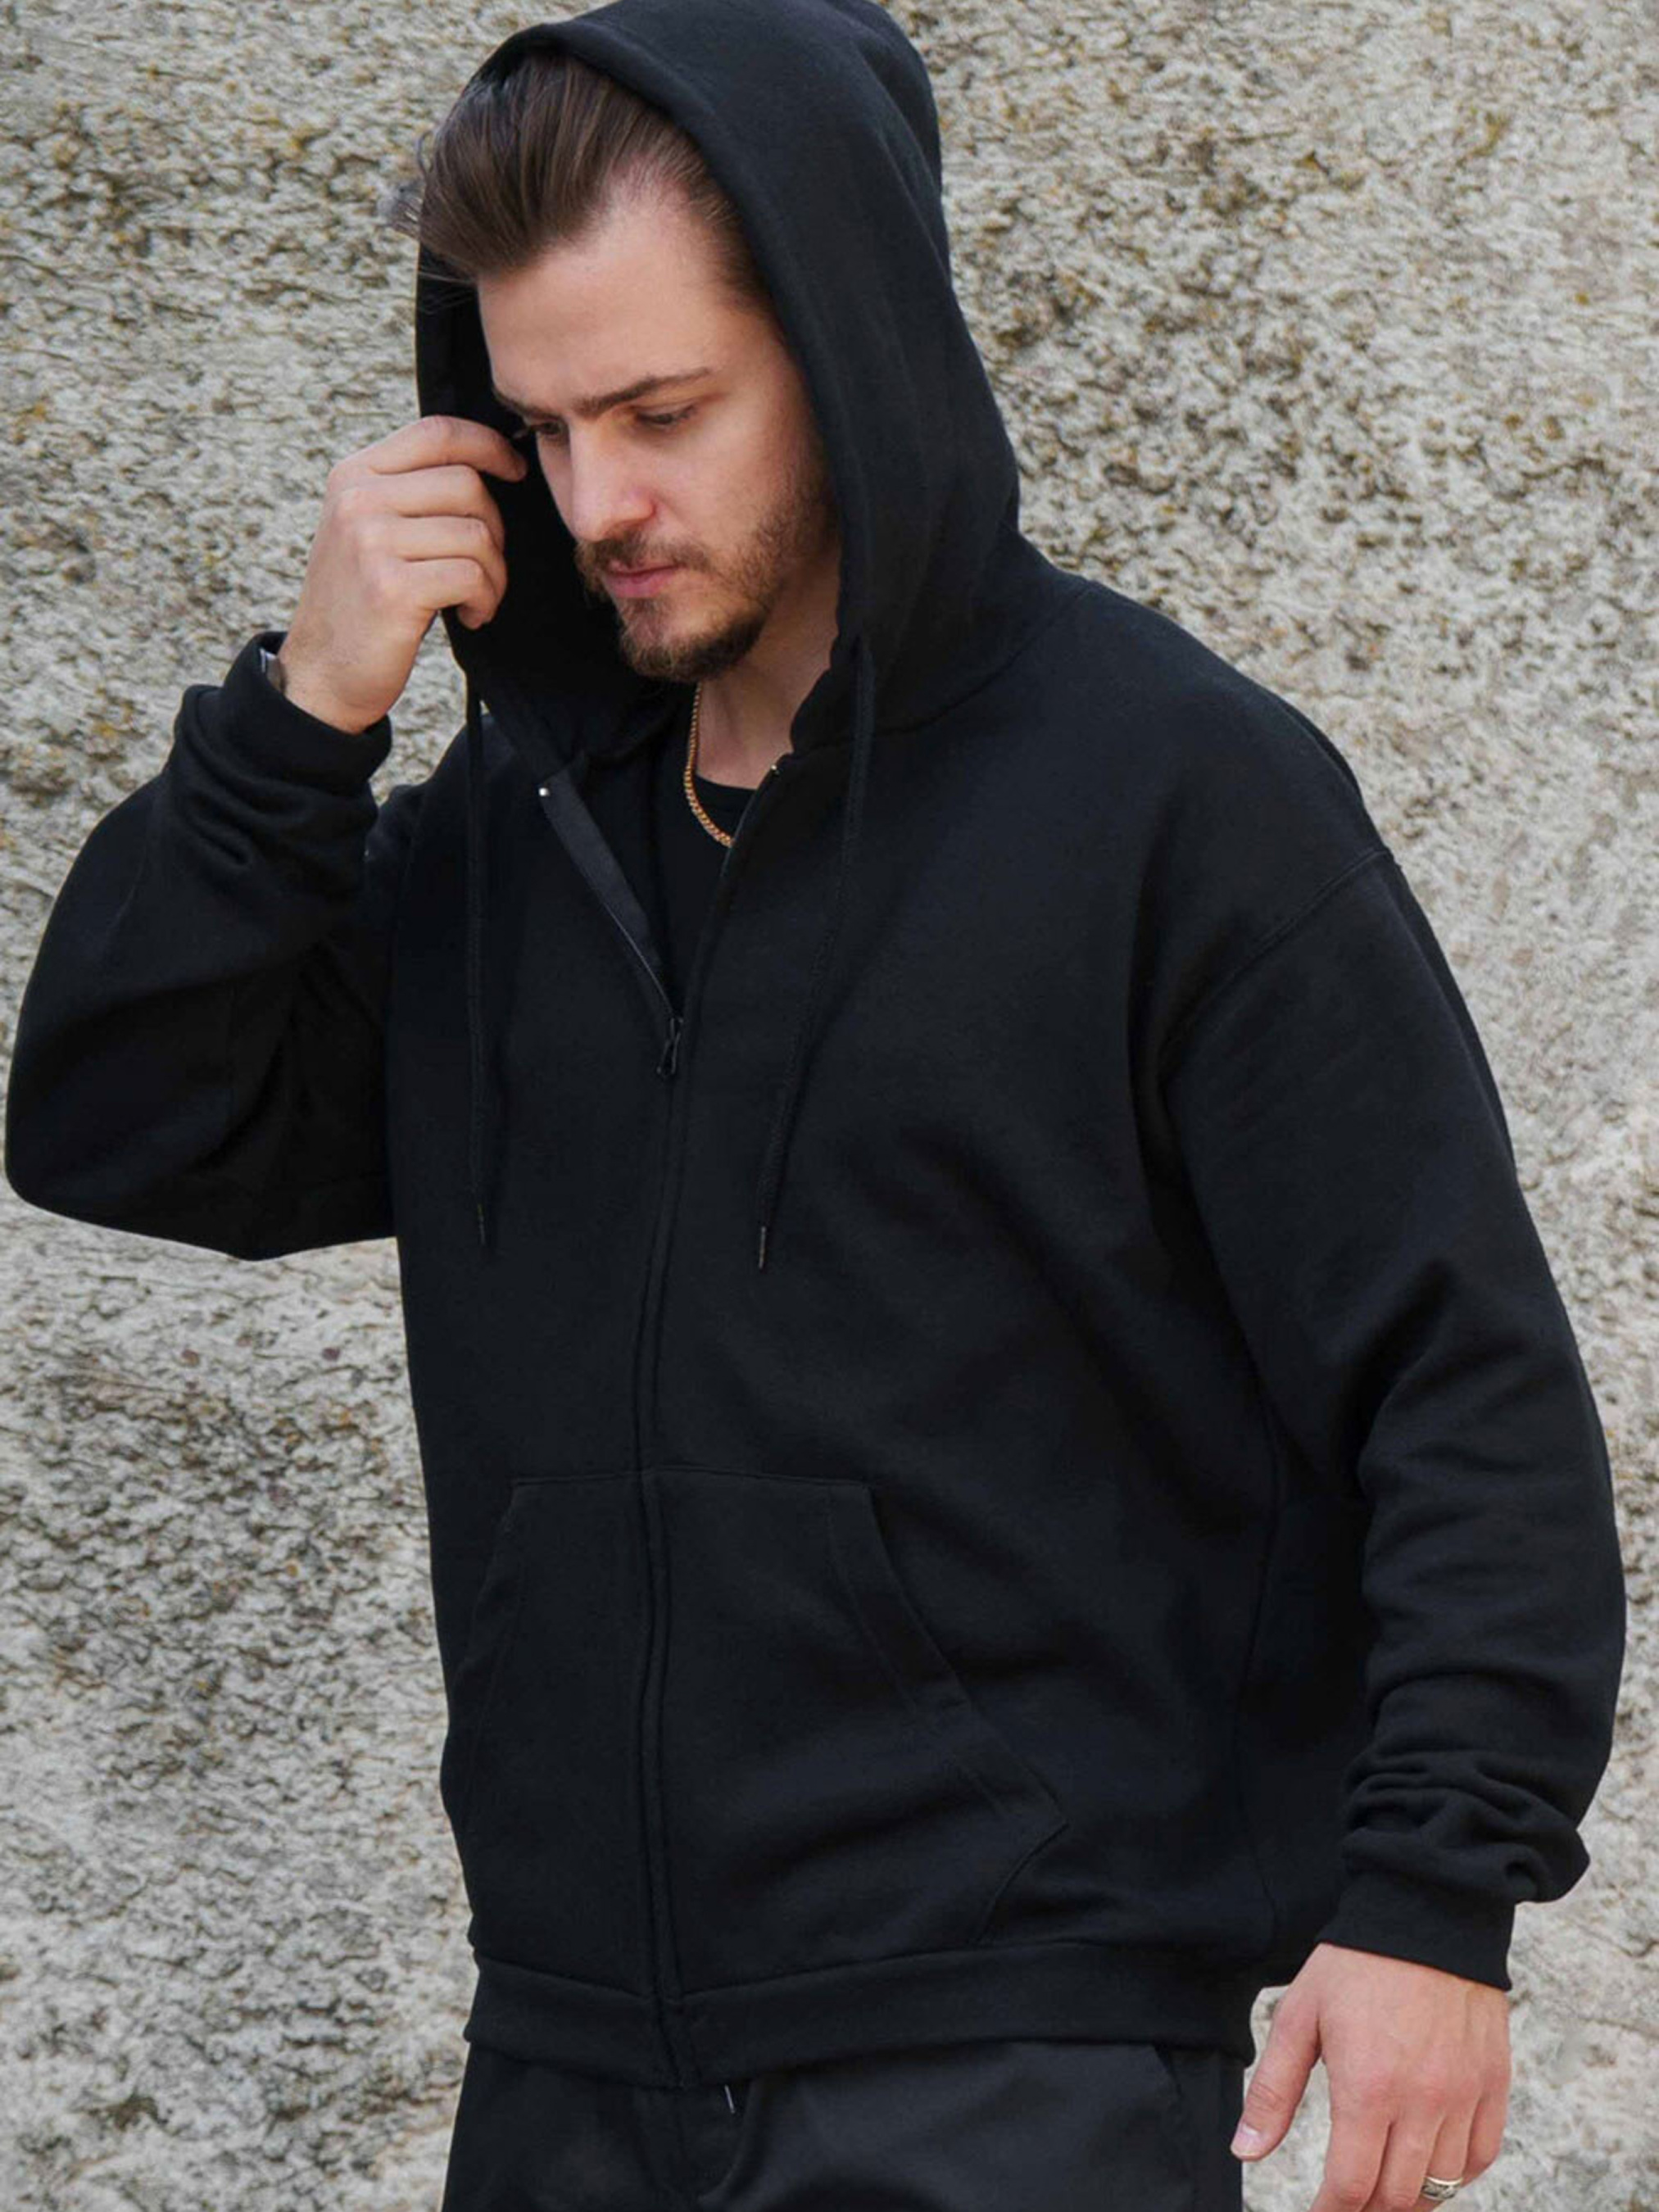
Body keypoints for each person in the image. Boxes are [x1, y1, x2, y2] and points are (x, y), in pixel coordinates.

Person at [3, 2, 1626, 2207]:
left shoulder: (1173, 800)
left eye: (662, 411)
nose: (598, 502)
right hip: (567, 2067)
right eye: (542, 427)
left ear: (849, 350)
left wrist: (1435, 1894)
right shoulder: (514, 841)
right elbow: (117, 1120)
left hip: (1006, 2064)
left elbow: (1455, 1379)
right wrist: (298, 727)